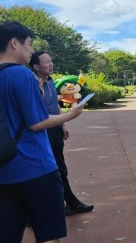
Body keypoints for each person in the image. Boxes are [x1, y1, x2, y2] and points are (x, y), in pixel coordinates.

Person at [0, 22, 90, 243]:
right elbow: (36, 122)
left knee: (6, 236)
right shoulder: (20, 75)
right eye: (30, 45)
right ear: (15, 43)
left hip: (3, 169)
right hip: (34, 166)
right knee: (47, 232)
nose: (32, 51)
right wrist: (70, 115)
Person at [29, 51, 94, 216]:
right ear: (36, 66)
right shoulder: (32, 85)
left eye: (51, 61)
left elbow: (55, 106)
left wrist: (63, 124)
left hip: (55, 128)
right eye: (46, 62)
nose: (50, 64)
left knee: (60, 168)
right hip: (42, 131)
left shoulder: (51, 82)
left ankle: (70, 203)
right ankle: (36, 212)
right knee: (47, 170)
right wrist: (69, 116)